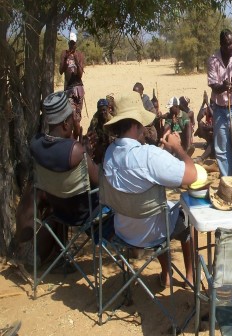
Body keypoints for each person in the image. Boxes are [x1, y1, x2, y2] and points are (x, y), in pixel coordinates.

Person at [103, 91, 197, 288]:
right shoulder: (148, 156)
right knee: (187, 217)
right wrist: (178, 148)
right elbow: (191, 175)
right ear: (137, 125)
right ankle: (190, 276)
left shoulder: (109, 153)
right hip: (152, 233)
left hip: (123, 229)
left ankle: (166, 273)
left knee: (160, 211)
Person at [17, 91, 98, 266]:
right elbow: (98, 180)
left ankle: (54, 253)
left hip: (57, 208)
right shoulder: (76, 151)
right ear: (66, 122)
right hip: (82, 214)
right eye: (72, 118)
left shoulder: (36, 144)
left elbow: (59, 151)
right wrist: (88, 153)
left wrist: (75, 138)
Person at [207, 29, 232, 178]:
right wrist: (224, 86)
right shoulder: (213, 60)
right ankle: (229, 181)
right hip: (219, 109)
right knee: (222, 149)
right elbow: (213, 87)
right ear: (221, 45)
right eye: (228, 44)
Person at [59, 32, 85, 139]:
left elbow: (80, 74)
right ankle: (74, 140)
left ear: (76, 44)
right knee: (72, 117)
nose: (72, 45)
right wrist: (66, 59)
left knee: (77, 119)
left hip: (78, 89)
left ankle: (77, 139)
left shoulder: (79, 55)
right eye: (70, 43)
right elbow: (61, 71)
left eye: (73, 43)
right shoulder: (64, 53)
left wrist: (77, 61)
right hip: (68, 89)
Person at [86, 98, 113, 164]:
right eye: (100, 110)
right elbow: (90, 132)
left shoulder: (112, 120)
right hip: (100, 143)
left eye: (104, 110)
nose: (102, 112)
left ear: (107, 109)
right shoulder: (95, 119)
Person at [194, 90, 214, 163]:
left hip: (216, 132)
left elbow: (215, 117)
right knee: (200, 123)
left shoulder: (220, 109)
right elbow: (198, 118)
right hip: (209, 132)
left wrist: (208, 104)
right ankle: (208, 142)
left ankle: (202, 158)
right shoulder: (208, 109)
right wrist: (203, 104)